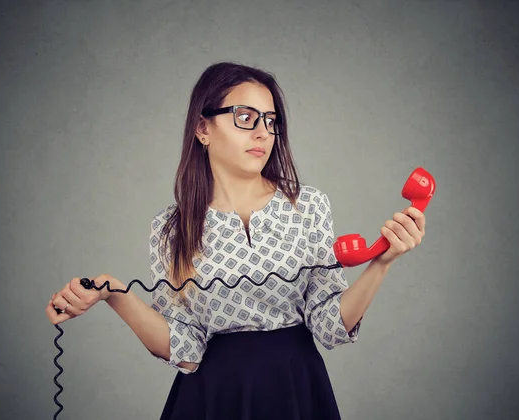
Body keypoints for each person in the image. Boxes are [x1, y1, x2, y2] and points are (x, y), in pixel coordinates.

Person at [45, 61, 427, 419]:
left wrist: (382, 262)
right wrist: (114, 292)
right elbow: (185, 348)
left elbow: (329, 326)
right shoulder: (171, 229)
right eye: (245, 117)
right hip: (214, 397)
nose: (263, 132)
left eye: (271, 121)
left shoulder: (307, 206)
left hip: (297, 390)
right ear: (202, 128)